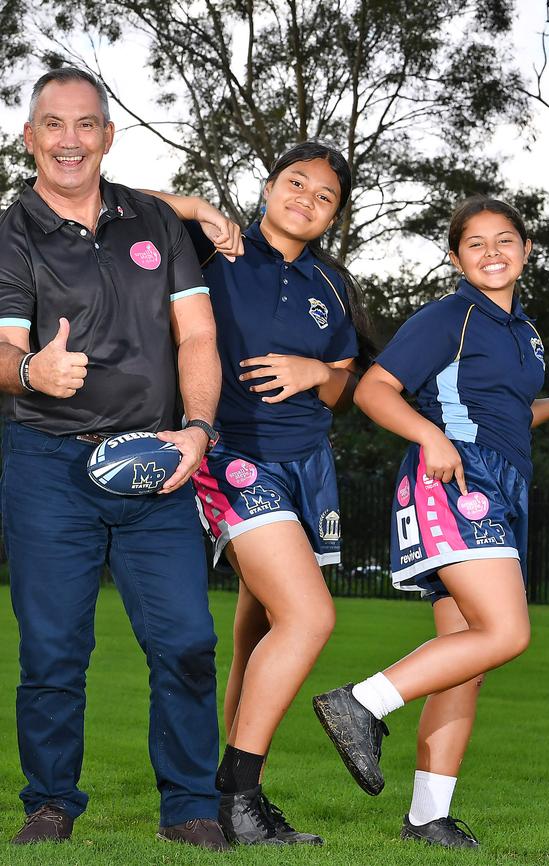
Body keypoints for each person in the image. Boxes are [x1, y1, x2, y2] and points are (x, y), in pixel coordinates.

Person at [313, 195, 549, 848]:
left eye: (505, 240)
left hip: (499, 482)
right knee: (507, 631)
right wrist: (430, 438)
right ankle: (361, 703)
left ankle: (427, 818)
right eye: (476, 243)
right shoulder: (449, 316)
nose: (492, 252)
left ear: (527, 250)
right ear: (457, 257)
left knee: (467, 662)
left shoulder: (526, 333)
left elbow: (505, 413)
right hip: (457, 479)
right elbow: (375, 388)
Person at [0, 67, 241, 850]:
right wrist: (32, 369)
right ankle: (51, 803)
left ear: (107, 134)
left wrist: (198, 431)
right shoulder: (11, 232)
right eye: (53, 125)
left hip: (156, 463)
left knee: (186, 641)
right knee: (53, 648)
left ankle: (190, 806)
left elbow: (198, 336)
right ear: (30, 137)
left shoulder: (156, 223)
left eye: (86, 124)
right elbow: (3, 352)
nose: (69, 139)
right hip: (47, 465)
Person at [152, 140, 374, 846]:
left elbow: (347, 385)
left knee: (259, 635)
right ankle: (238, 799)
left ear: (334, 216)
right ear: (269, 184)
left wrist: (318, 372)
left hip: (305, 464)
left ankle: (239, 798)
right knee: (309, 617)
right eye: (295, 181)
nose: (305, 198)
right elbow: (106, 204)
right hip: (232, 454)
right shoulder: (210, 247)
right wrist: (189, 205)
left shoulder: (333, 286)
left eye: (324, 196)